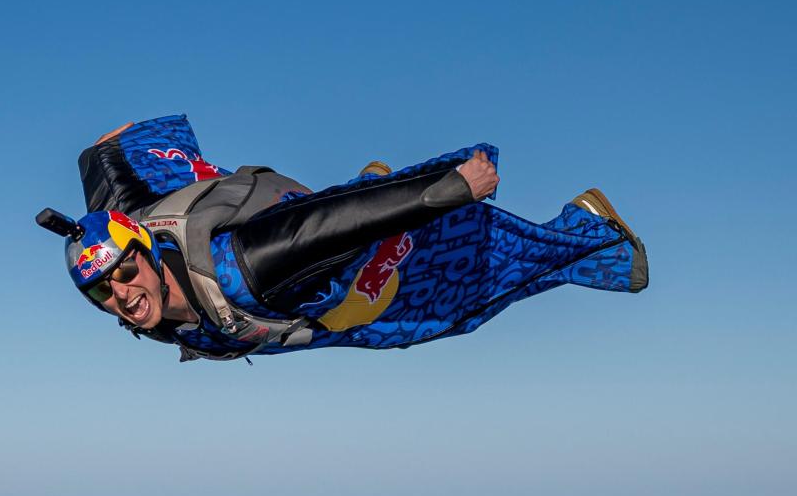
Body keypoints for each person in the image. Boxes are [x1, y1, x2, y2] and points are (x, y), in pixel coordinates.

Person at [37, 115, 647, 362]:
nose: (122, 294)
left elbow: (327, 227)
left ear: (142, 251)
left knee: (446, 306)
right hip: (295, 281)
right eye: (102, 293)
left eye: (123, 273)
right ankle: (367, 185)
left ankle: (589, 232)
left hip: (334, 259)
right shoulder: (121, 231)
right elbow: (110, 151)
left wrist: (448, 190)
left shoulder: (240, 271)